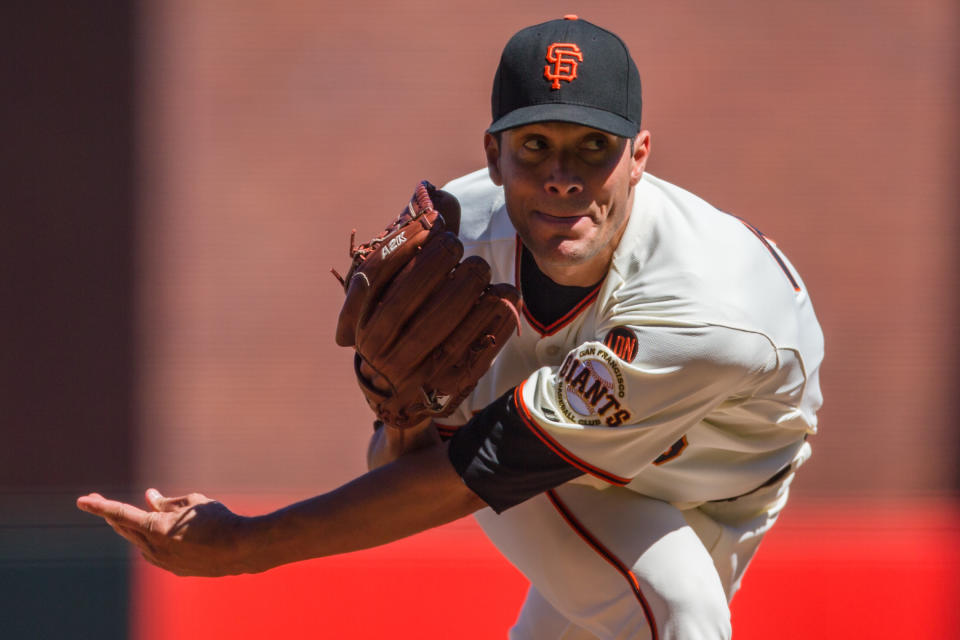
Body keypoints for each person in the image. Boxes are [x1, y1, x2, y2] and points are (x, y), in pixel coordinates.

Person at [78, 15, 823, 640]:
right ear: (492, 155)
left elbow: (473, 475)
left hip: (727, 483)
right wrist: (398, 414)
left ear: (639, 158)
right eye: (536, 145)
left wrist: (244, 545)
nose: (563, 175)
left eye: (594, 146)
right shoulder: (453, 237)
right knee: (677, 607)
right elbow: (406, 467)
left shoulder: (698, 306)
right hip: (557, 463)